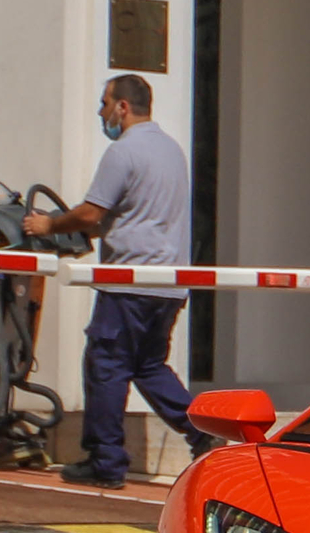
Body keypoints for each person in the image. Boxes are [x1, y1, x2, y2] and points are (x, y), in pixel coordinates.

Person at [24, 74, 206, 490]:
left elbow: (90, 214)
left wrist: (48, 224)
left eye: (105, 104)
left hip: (129, 281)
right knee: (149, 366)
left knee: (106, 365)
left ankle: (106, 461)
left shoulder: (123, 152)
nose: (101, 113)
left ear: (123, 107)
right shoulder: (171, 150)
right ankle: (201, 431)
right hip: (169, 284)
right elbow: (134, 213)